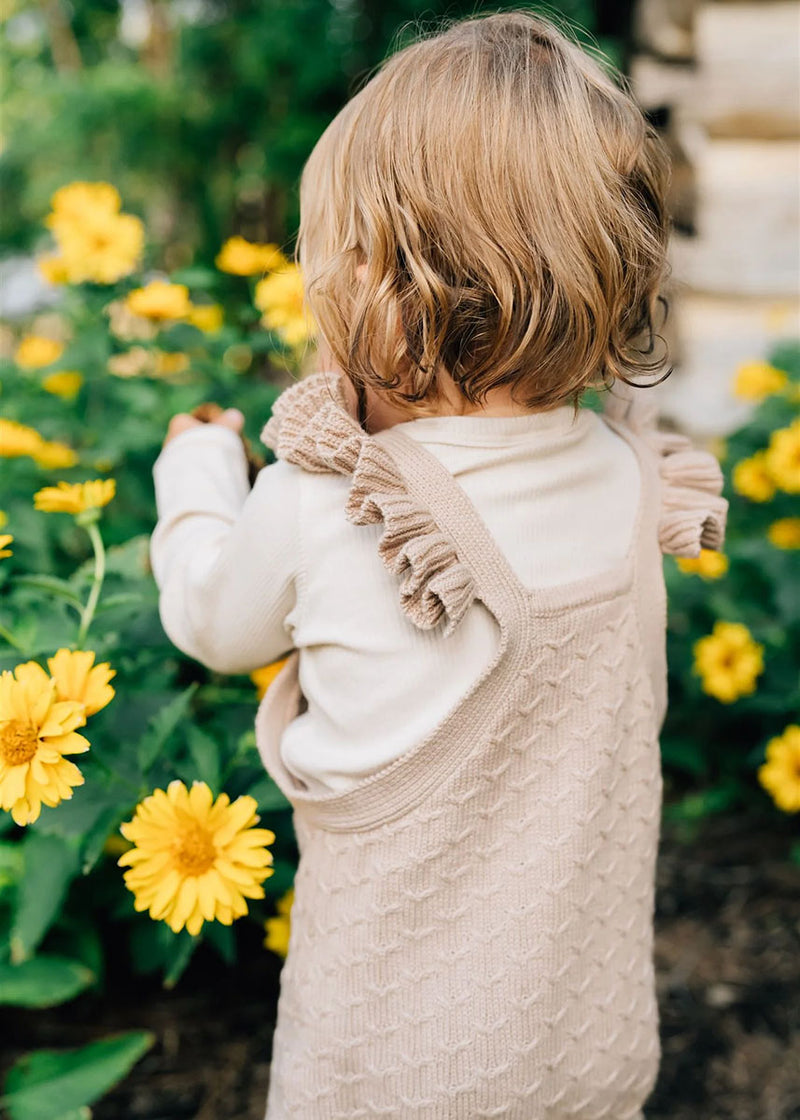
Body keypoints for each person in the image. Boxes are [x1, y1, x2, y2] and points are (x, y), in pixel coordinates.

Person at [151, 11, 729, 1118]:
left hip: (391, 1075)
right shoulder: (623, 478)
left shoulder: (328, 505)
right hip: (584, 1049)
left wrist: (195, 476)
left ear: (384, 283)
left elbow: (211, 623)